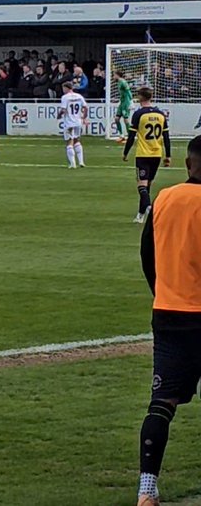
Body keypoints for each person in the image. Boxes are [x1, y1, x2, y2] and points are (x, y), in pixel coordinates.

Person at [135, 134, 201, 506]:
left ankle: (147, 489)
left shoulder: (165, 198)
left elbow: (148, 254)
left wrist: (162, 292)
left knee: (162, 402)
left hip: (169, 313)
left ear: (190, 165)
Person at [124, 88, 172, 224]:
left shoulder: (139, 114)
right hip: (157, 154)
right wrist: (168, 155)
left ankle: (149, 208)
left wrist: (125, 152)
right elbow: (166, 137)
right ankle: (140, 215)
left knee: (142, 185)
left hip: (143, 154)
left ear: (140, 97)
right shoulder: (161, 114)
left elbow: (131, 136)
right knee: (147, 185)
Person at [58, 83, 88, 168]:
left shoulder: (65, 97)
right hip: (78, 122)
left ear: (67, 88)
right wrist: (84, 117)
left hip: (69, 123)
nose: (63, 90)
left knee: (69, 141)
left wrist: (59, 115)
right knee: (77, 140)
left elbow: (63, 110)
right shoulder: (79, 96)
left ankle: (72, 164)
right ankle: (81, 162)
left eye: (63, 88)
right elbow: (86, 107)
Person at [115, 70, 134, 141]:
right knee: (117, 119)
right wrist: (120, 101)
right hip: (122, 102)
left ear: (117, 75)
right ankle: (121, 135)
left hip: (126, 103)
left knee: (126, 120)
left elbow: (128, 91)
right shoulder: (119, 82)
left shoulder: (123, 82)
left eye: (114, 75)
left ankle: (130, 137)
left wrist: (131, 101)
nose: (114, 77)